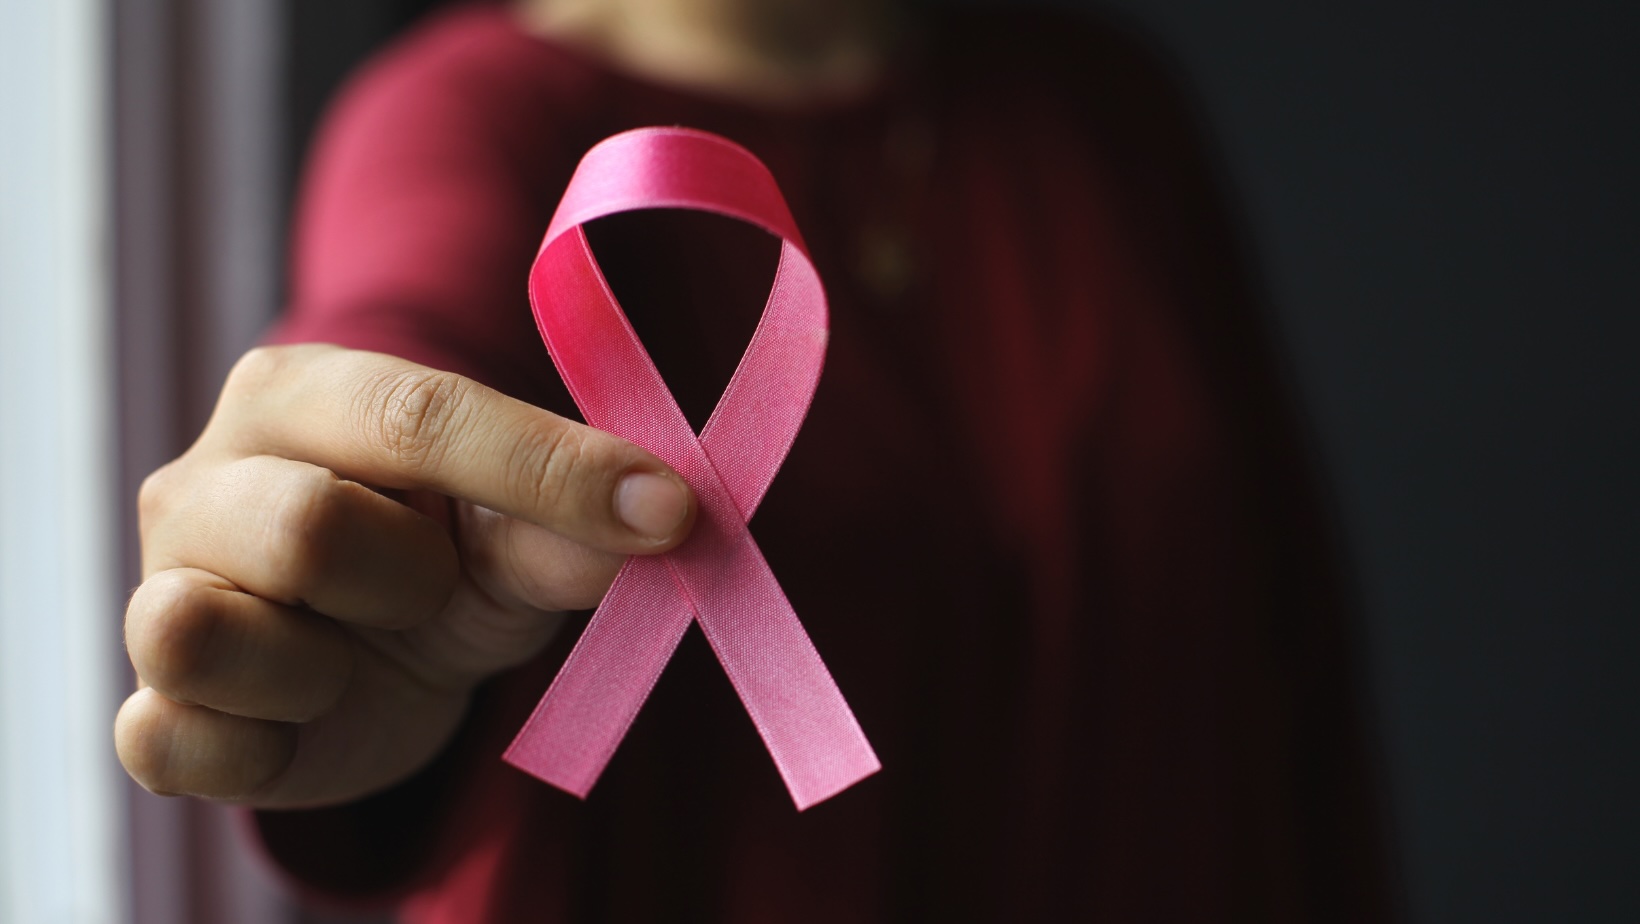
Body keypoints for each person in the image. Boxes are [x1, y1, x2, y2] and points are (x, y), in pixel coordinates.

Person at [117, 0, 1396, 919]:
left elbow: (1287, 636)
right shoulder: (459, 116)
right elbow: (405, 324)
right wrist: (337, 518)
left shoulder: (1109, 110)